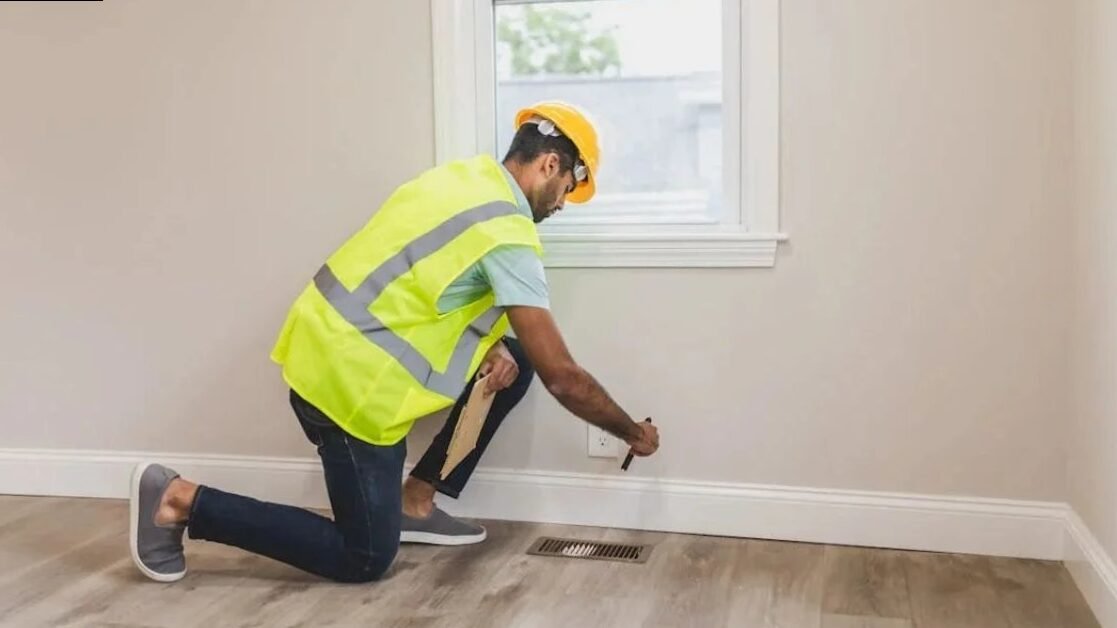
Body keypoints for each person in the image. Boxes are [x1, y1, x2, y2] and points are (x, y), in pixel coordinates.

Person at [128, 101, 661, 584]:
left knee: (514, 358)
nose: (563, 204)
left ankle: (416, 501)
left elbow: (428, 282)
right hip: (351, 391)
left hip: (321, 343)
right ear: (549, 164)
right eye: (569, 186)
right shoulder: (510, 234)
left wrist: (495, 345)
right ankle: (177, 501)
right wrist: (630, 431)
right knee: (362, 558)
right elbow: (563, 377)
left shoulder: (460, 179)